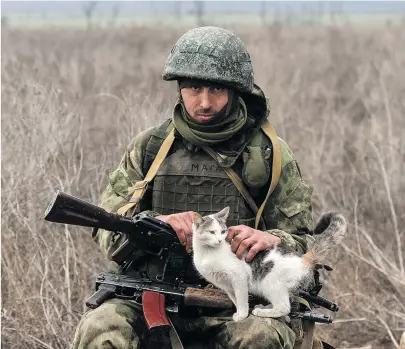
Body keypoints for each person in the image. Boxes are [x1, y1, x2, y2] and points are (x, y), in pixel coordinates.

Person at [73, 26, 317, 349]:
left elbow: (304, 246)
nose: (203, 102)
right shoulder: (151, 149)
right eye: (193, 87)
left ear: (234, 91)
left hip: (237, 300)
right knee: (101, 331)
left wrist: (272, 239)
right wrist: (155, 223)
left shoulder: (269, 153)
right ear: (179, 88)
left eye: (216, 89)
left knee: (261, 339)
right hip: (152, 296)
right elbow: (107, 229)